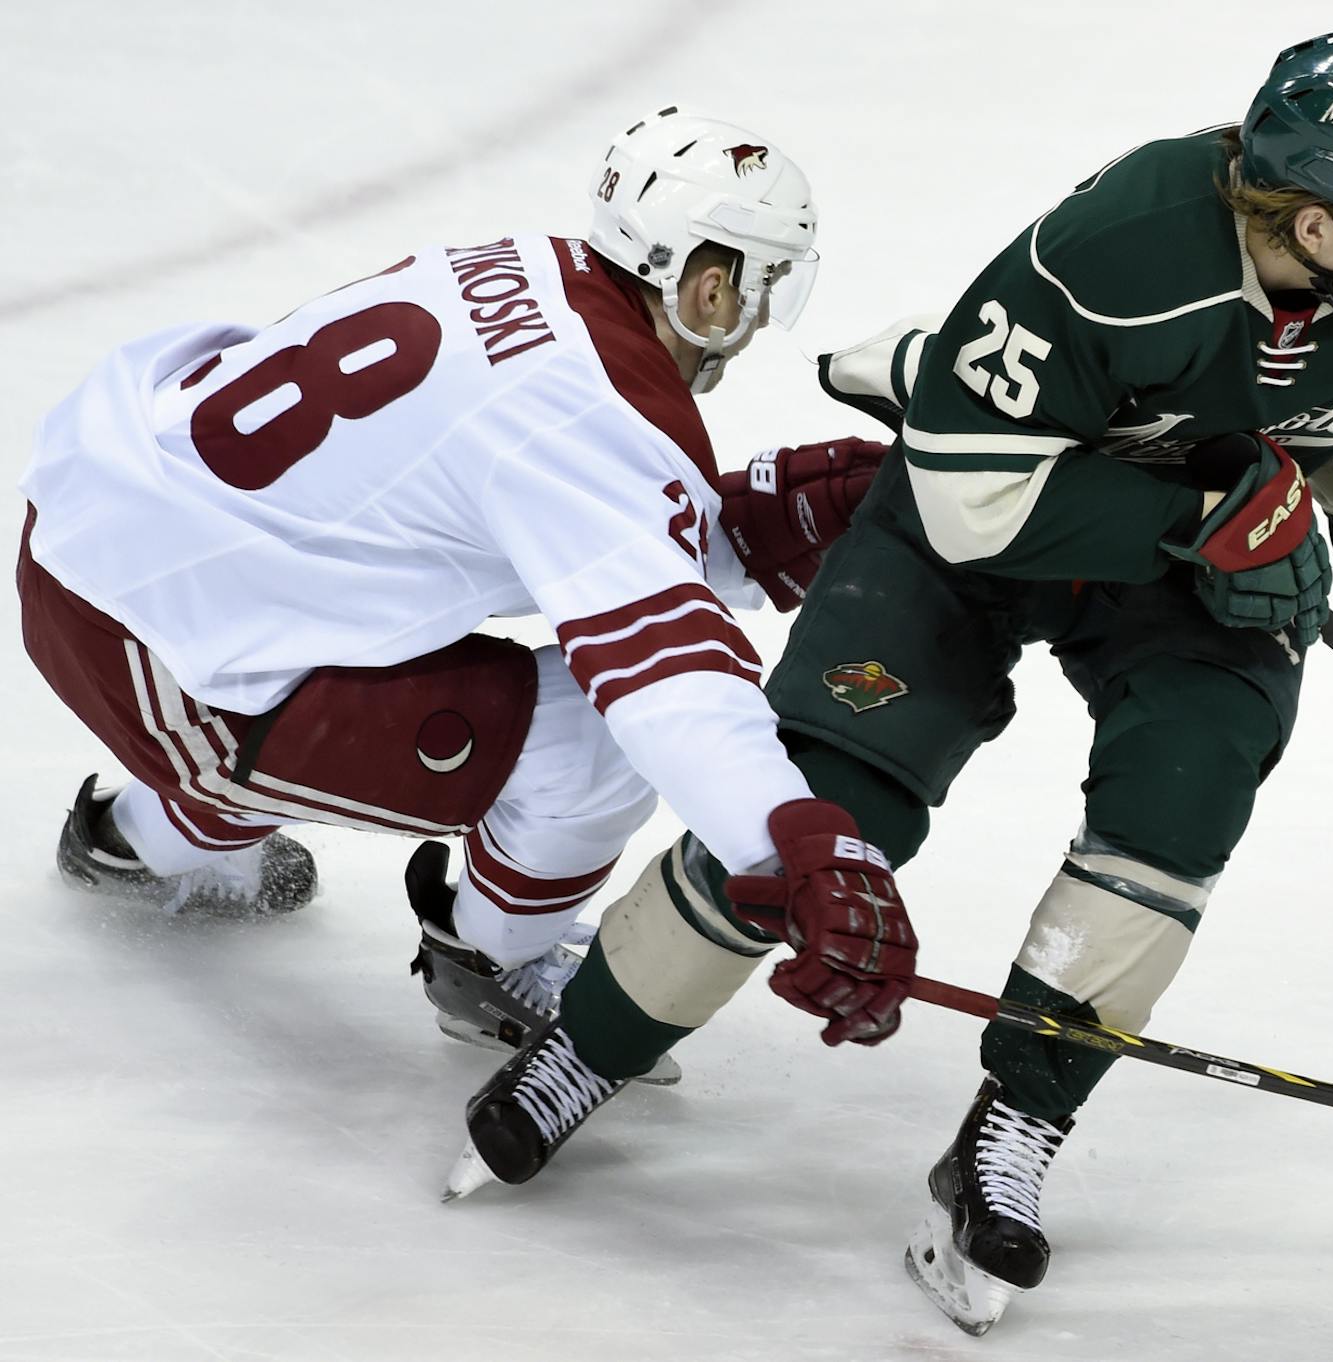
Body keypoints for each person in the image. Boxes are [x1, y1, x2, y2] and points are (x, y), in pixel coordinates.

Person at [460, 30, 1333, 1330]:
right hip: (984, 529)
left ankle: (1012, 1129)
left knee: (1185, 796)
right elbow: (974, 502)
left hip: (1202, 566)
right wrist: (1202, 514)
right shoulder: (1124, 250)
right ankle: (595, 1035)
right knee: (825, 793)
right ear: (1315, 224)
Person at [16, 105, 921, 1156]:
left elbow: (581, 522)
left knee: (342, 632)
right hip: (165, 653)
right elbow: (666, 676)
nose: (759, 318)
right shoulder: (597, 416)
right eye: (760, 287)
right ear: (708, 285)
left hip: (102, 548)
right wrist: (796, 847)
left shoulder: (525, 271)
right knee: (592, 739)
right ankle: (490, 959)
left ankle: (133, 842)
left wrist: (764, 521)